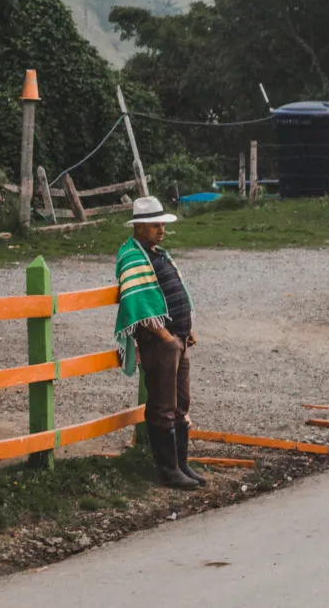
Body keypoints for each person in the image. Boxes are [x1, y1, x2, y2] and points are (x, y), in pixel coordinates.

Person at [113, 196, 204, 490]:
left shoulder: (157, 253)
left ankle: (181, 463)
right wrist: (166, 337)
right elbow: (138, 304)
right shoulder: (132, 257)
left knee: (181, 402)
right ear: (139, 227)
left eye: (162, 224)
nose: (160, 230)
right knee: (163, 403)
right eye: (154, 225)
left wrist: (185, 332)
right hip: (161, 342)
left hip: (177, 339)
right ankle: (168, 469)